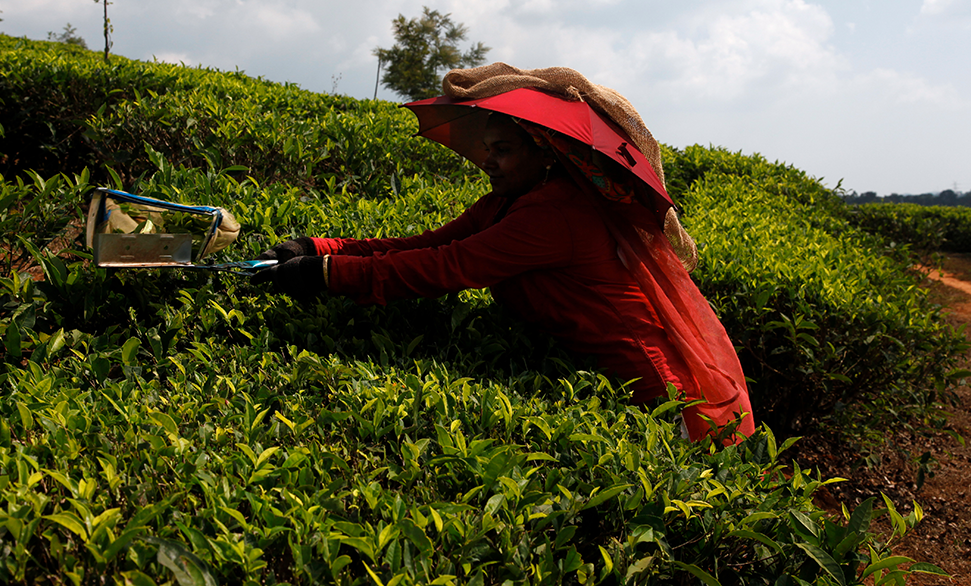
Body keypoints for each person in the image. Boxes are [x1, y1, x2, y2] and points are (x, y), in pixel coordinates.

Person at [261, 66, 754, 444]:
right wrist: (318, 248)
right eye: (487, 147)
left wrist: (325, 275)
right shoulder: (511, 200)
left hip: (659, 396)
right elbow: (427, 244)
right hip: (603, 377)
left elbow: (446, 268)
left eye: (502, 150)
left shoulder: (556, 214)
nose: (487, 161)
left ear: (544, 152)